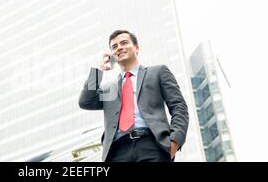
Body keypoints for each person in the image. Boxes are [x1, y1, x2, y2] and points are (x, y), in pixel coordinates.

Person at [78, 30, 189, 162]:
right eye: (114, 47)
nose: (119, 47)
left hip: (152, 145)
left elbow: (179, 107)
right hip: (117, 152)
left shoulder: (157, 72)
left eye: (124, 43)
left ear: (136, 48)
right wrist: (99, 70)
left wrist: (174, 142)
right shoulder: (110, 88)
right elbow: (86, 102)